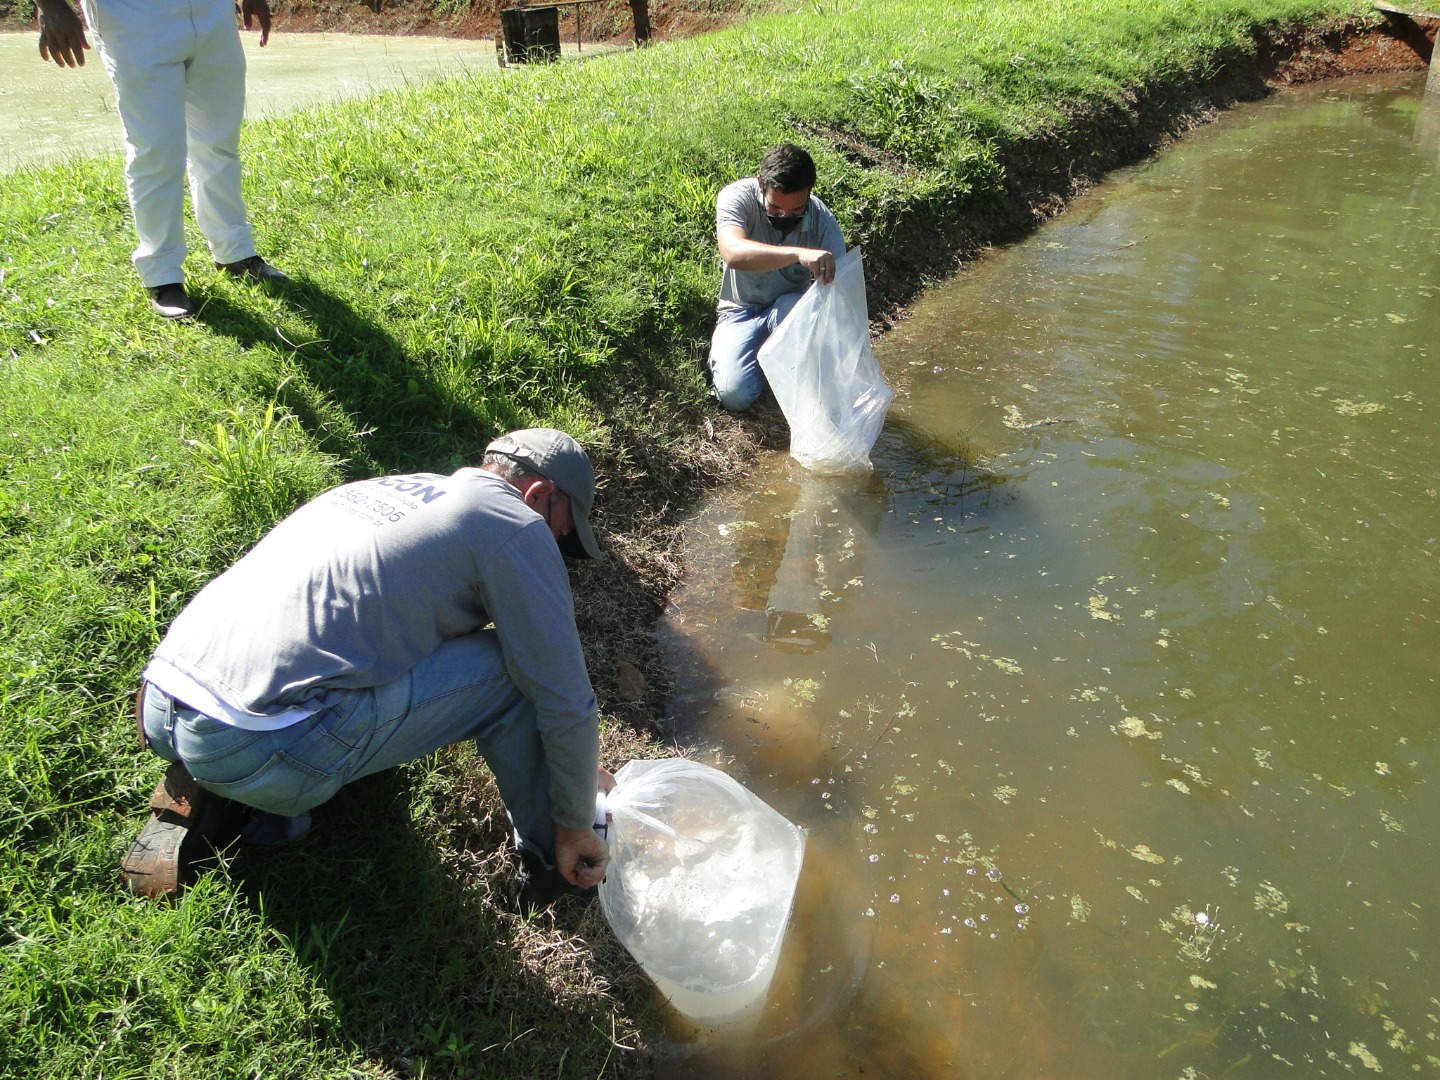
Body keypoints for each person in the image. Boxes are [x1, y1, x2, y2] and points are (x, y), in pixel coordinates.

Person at [122, 429, 614, 909]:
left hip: (163, 699)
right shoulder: (514, 521)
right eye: (561, 533)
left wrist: (574, 766)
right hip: (252, 740)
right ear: (540, 492)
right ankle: (552, 868)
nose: (555, 548)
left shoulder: (391, 490)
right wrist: (574, 818)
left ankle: (225, 780)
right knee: (513, 674)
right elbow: (563, 696)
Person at [34, 0, 287, 321]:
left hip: (212, 13)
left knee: (219, 142)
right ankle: (163, 275)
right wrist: (52, 5)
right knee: (156, 150)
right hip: (132, 16)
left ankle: (235, 253)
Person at [708, 143, 848, 412]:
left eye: (796, 212)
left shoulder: (821, 219)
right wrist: (798, 254)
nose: (785, 216)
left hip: (789, 311)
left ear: (808, 193)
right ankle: (770, 362)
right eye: (775, 209)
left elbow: (842, 290)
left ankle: (787, 362)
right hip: (739, 312)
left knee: (794, 309)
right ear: (761, 185)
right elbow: (733, 252)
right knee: (734, 395)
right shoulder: (737, 197)